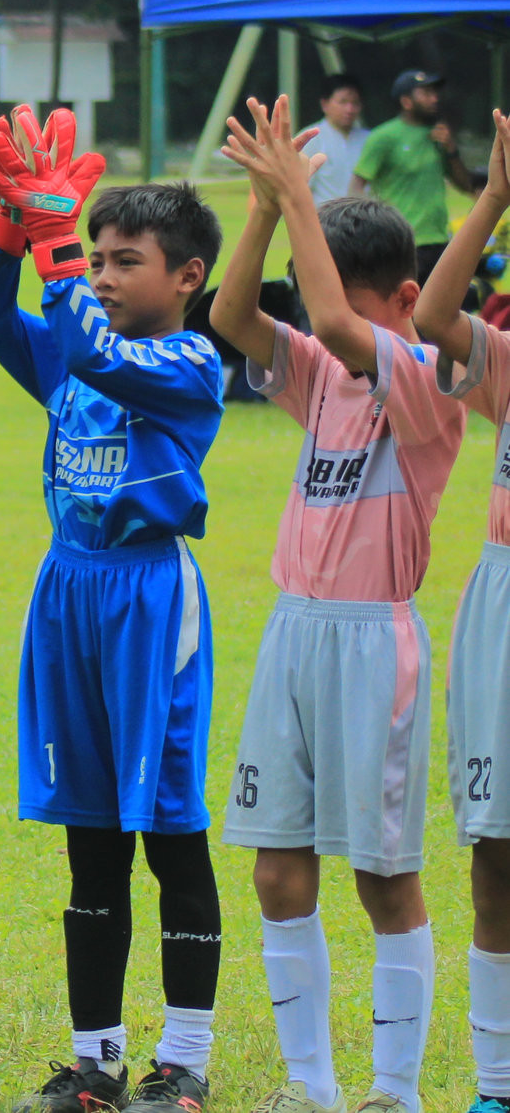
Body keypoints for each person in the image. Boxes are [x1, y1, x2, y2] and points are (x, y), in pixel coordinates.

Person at [0, 108, 228, 1113]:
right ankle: (94, 1062)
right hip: (65, 593)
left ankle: (185, 1058)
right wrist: (7, 224)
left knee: (167, 828)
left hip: (148, 603)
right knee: (88, 834)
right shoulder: (74, 344)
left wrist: (58, 243)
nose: (106, 276)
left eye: (127, 260)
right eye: (98, 258)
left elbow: (101, 353)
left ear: (186, 278)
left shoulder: (188, 366)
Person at [213, 97, 463, 1113]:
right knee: (279, 871)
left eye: (365, 308)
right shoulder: (320, 372)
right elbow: (233, 320)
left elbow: (325, 318)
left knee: (382, 875)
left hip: (374, 640)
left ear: (405, 300)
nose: (342, 325)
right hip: (294, 628)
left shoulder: (426, 376)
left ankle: (391, 1091)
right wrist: (267, 211)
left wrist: (302, 198)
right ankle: (308, 1088)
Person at [411, 106, 510, 1113]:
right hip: (502, 609)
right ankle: (496, 1084)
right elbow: (435, 318)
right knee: (496, 851)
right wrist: (489, 196)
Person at [353, 69, 477, 281]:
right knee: (406, 309)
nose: (434, 99)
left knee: (442, 310)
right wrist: (371, 227)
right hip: (401, 243)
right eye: (426, 94)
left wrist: (451, 149)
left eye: (435, 93)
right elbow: (356, 186)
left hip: (438, 240)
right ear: (406, 101)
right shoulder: (384, 137)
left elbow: (466, 186)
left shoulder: (439, 135)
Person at [304, 74, 368, 207]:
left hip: (363, 220)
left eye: (355, 103)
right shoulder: (310, 138)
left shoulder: (369, 139)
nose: (349, 109)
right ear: (325, 104)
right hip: (324, 220)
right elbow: (301, 188)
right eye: (343, 102)